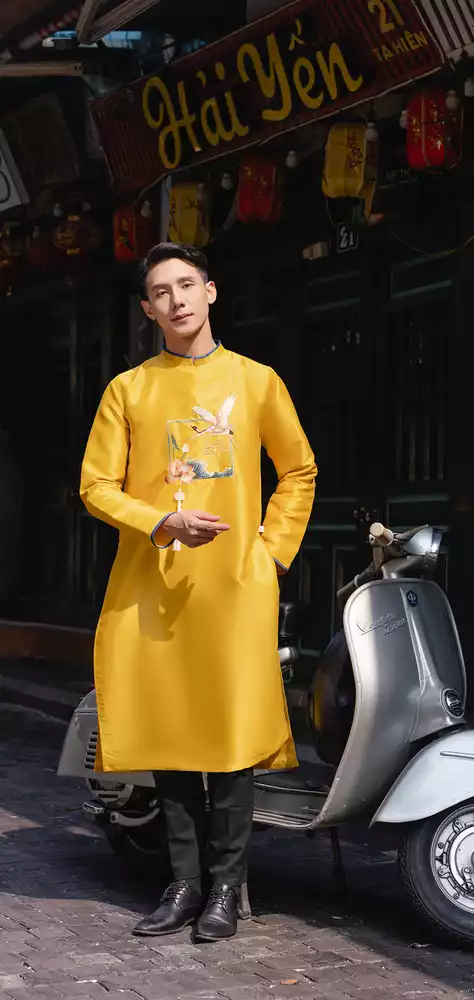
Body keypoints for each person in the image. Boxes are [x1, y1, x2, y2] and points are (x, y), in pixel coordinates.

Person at [80, 242, 316, 942]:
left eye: (187, 284)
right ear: (147, 310)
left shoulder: (256, 381)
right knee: (172, 736)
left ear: (210, 292)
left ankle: (226, 889)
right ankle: (183, 884)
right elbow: (96, 486)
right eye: (162, 291)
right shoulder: (129, 390)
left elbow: (298, 469)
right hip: (153, 585)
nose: (177, 299)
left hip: (234, 589)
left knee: (230, 739)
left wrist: (270, 554)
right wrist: (161, 522)